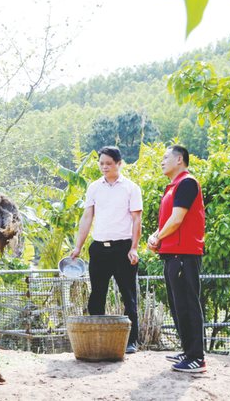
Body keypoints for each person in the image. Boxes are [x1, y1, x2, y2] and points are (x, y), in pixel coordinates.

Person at [69, 146, 142, 354]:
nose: (104, 167)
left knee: (128, 297)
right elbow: (86, 218)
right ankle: (96, 339)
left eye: (108, 163)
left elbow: (137, 220)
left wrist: (134, 248)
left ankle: (131, 341)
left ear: (119, 164)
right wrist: (78, 247)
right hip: (98, 249)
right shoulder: (93, 187)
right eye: (101, 163)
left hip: (123, 248)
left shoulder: (131, 188)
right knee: (97, 296)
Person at [147, 145, 206, 373]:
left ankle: (196, 358)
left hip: (185, 253)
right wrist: (158, 239)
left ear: (179, 159)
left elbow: (176, 220)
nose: (161, 161)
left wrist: (156, 237)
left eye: (165, 157)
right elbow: (169, 222)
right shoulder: (172, 186)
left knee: (189, 304)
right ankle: (187, 350)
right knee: (177, 303)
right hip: (172, 252)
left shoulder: (187, 183)